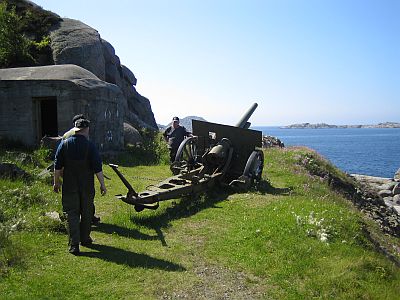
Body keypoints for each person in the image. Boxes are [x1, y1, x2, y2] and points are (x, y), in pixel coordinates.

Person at [53, 118, 107, 255]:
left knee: (72, 214)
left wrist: (56, 182)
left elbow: (57, 167)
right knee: (87, 212)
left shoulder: (64, 145)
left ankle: (74, 244)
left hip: (69, 186)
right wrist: (102, 184)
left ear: (75, 129)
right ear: (87, 129)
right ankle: (85, 238)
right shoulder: (90, 146)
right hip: (87, 186)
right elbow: (97, 169)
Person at [63, 114, 101, 225]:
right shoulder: (83, 135)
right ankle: (88, 219)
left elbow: (60, 155)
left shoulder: (66, 135)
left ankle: (73, 224)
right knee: (87, 198)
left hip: (69, 172)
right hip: (84, 171)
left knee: (72, 200)